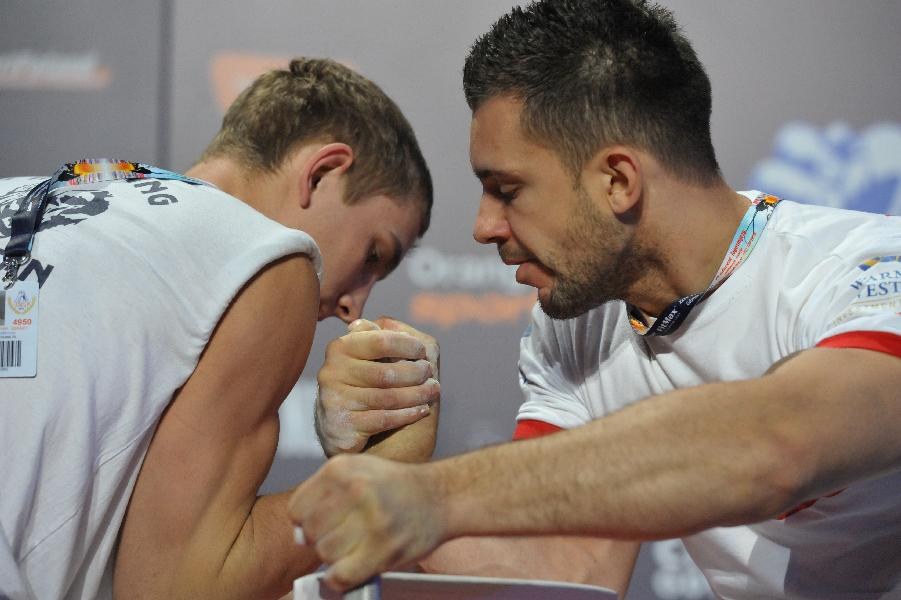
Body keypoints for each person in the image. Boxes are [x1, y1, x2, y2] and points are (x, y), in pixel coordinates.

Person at [288, 1, 901, 597]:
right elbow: (570, 568)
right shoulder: (578, 324)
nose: (483, 227)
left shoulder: (863, 270)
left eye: (507, 189)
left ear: (618, 180)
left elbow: (779, 445)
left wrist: (440, 496)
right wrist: (395, 468)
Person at [0, 57, 440, 600]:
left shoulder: (22, 194)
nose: (354, 305)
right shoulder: (270, 260)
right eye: (374, 254)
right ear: (322, 172)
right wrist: (384, 479)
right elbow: (173, 590)